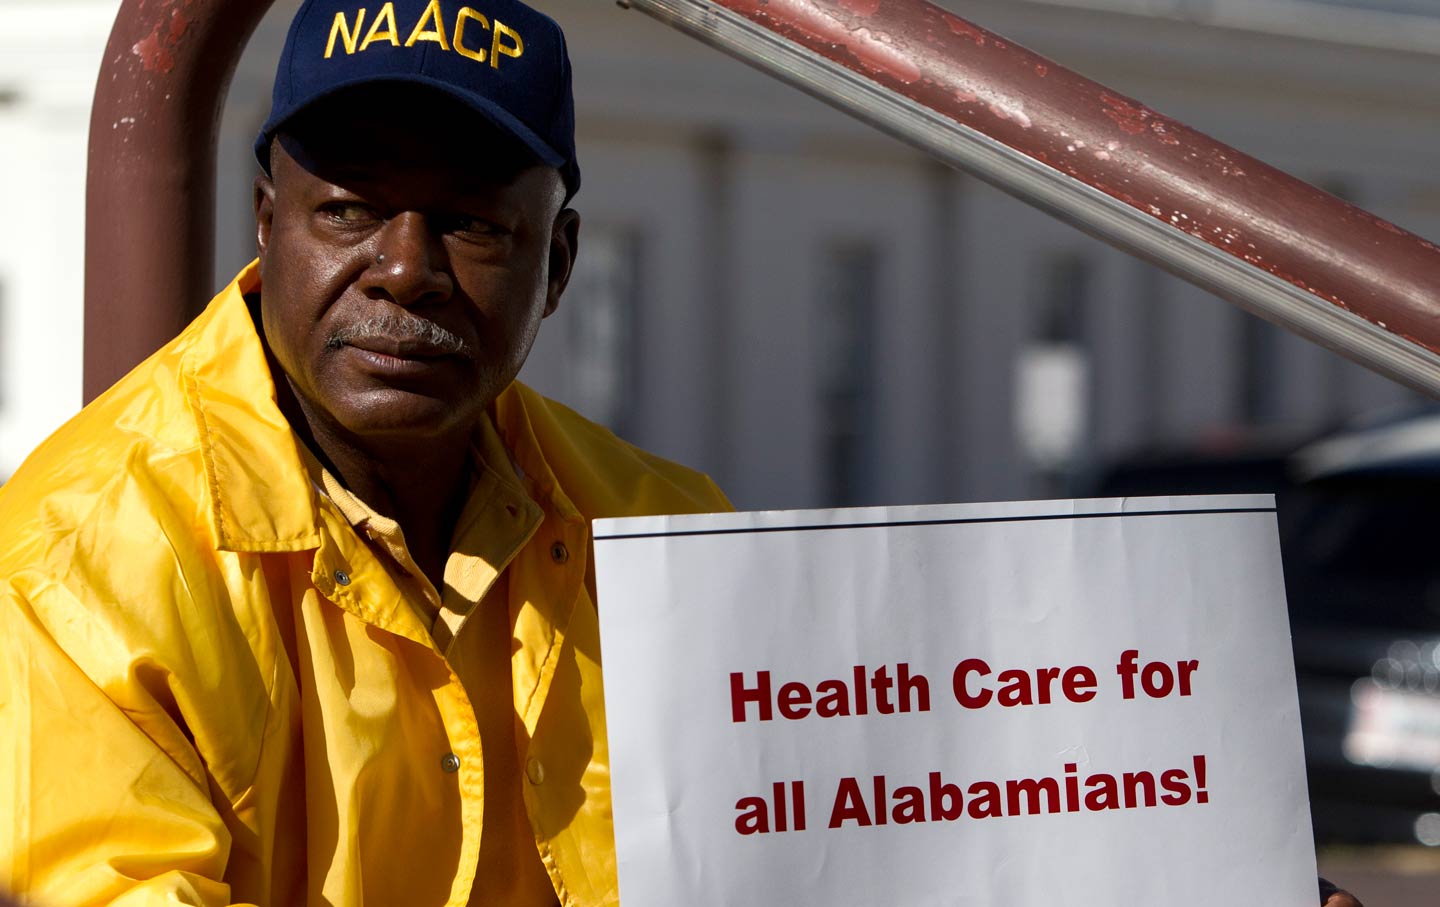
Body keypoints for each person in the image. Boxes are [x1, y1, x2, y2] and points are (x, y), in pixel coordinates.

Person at [0, 0, 1366, 904]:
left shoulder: (662, 538)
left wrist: (1192, 871)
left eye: (474, 222)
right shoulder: (81, 566)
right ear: (265, 224)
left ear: (562, 264)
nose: (403, 271)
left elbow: (894, 844)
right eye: (349, 207)